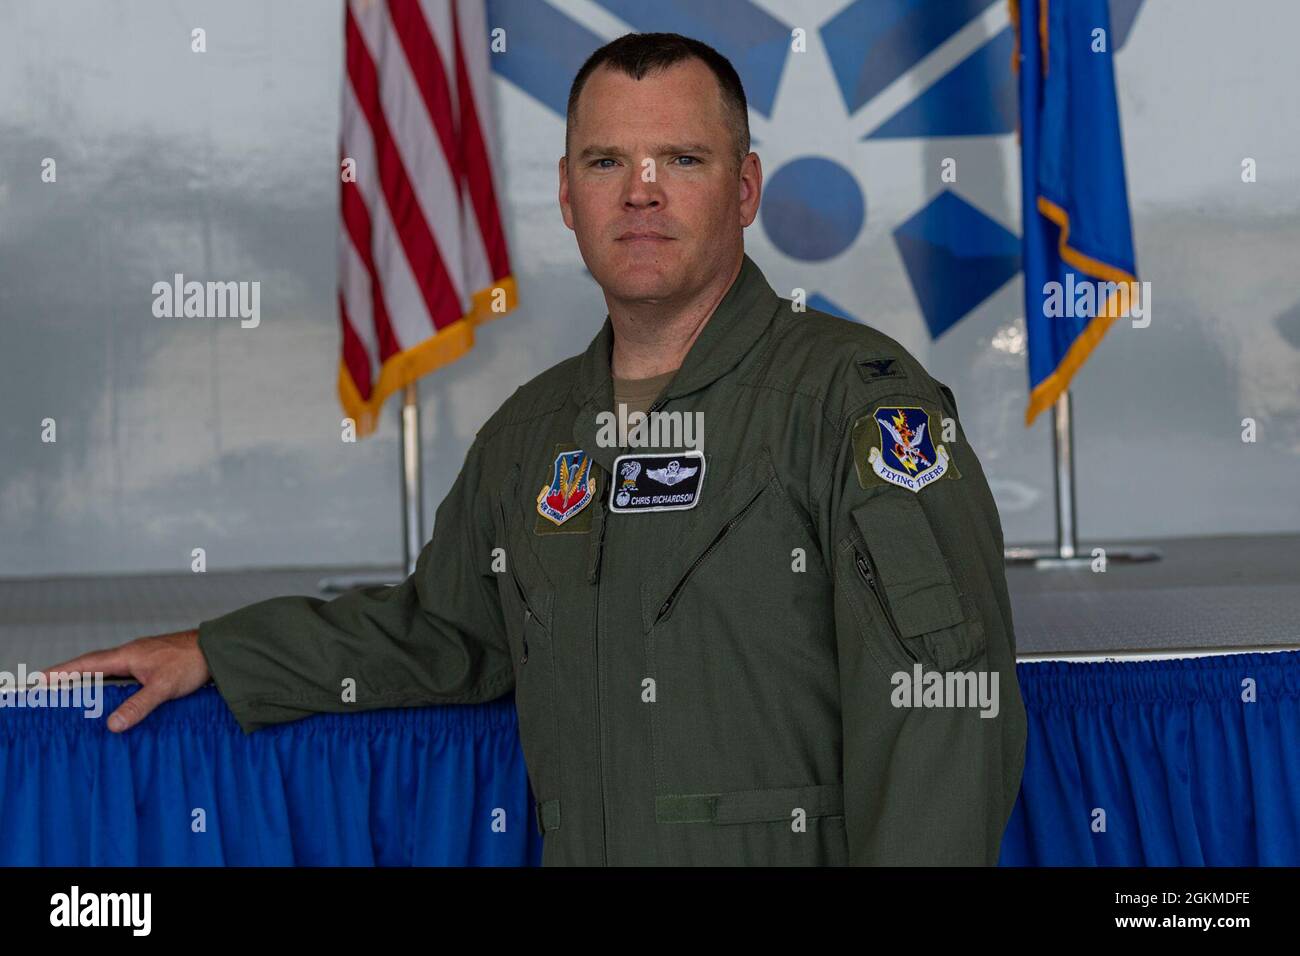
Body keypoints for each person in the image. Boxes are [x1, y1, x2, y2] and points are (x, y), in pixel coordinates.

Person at [42, 32, 1026, 866]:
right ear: (565, 194)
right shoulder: (532, 432)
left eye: (681, 159)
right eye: (607, 163)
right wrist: (218, 649)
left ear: (746, 187)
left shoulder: (855, 405)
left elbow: (940, 715)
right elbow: (438, 631)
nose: (641, 194)